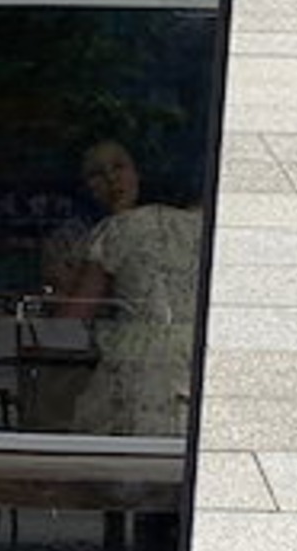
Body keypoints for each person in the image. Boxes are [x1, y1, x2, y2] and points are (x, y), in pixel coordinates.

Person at [52, 138, 204, 436]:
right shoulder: (204, 225)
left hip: (141, 370)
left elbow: (69, 322)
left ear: (139, 172)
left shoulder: (116, 230)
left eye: (118, 167)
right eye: (97, 174)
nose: (111, 180)